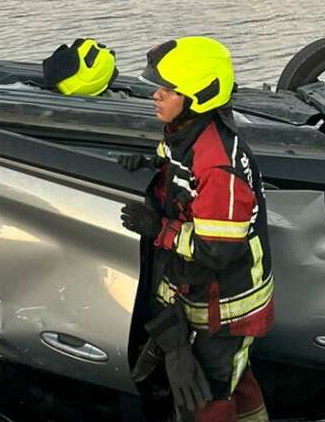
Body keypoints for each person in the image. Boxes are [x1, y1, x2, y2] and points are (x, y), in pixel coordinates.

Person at [119, 36, 274, 422]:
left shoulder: (218, 166)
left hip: (229, 309)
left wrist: (158, 228)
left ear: (198, 97)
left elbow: (217, 251)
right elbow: (175, 164)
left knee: (210, 395)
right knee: (235, 378)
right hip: (208, 298)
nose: (155, 95)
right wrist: (146, 163)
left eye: (167, 89)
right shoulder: (187, 134)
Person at [41, 37, 119, 97]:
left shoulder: (75, 54)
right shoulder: (109, 59)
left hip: (67, 87)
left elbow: (48, 66)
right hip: (90, 91)